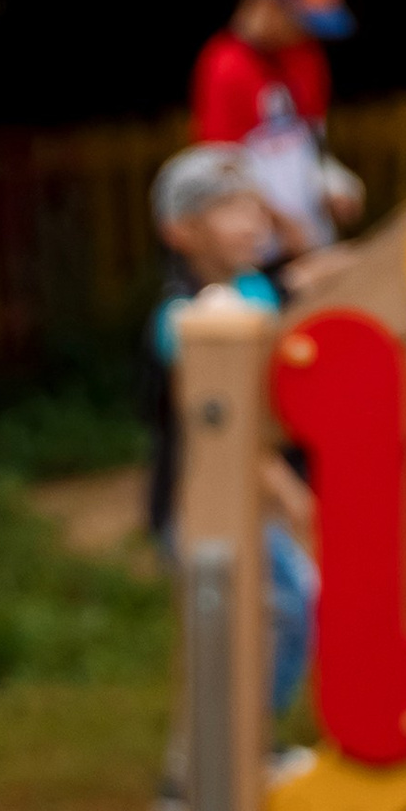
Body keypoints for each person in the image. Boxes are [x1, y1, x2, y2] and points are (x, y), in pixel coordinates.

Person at [143, 147, 320, 730]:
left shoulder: (259, 292)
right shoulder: (184, 319)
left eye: (254, 205)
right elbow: (214, 424)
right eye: (227, 209)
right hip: (202, 502)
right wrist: (287, 489)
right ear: (181, 231)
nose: (250, 221)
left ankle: (245, 745)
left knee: (285, 613)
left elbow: (311, 269)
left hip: (253, 496)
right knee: (236, 630)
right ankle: (211, 765)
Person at [191, 0, 365, 257]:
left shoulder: (306, 55)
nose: (307, 31)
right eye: (303, 18)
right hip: (258, 252)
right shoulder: (224, 64)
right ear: (269, 4)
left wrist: (334, 183)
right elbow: (222, 167)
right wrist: (278, 221)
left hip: (314, 243)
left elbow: (314, 141)